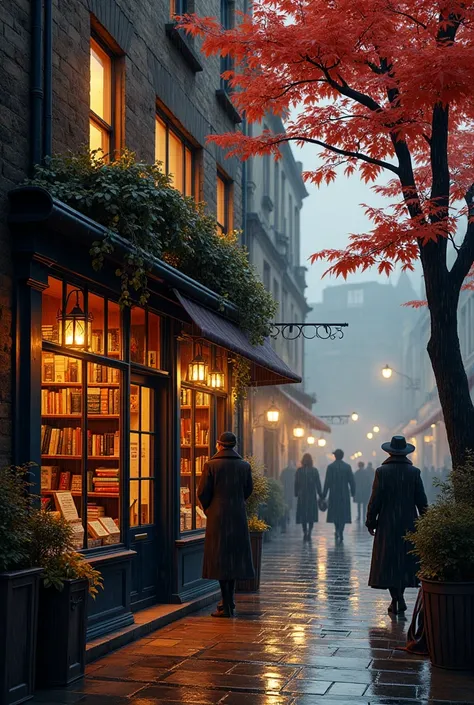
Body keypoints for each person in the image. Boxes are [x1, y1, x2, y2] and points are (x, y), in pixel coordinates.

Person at [366, 435, 428, 615]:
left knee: (389, 561)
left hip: (387, 523)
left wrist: (371, 521)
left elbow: (375, 500)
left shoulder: (382, 472)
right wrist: (427, 521)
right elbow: (421, 500)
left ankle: (396, 598)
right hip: (409, 522)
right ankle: (398, 597)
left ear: (390, 452)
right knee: (404, 561)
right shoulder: (414, 473)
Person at [197, 431, 254, 618]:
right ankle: (229, 602)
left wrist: (209, 509)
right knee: (234, 558)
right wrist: (237, 502)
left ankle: (226, 603)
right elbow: (248, 490)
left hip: (217, 516)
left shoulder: (210, 465)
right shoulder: (244, 466)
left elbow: (202, 492)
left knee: (220, 559)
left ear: (218, 445)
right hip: (237, 515)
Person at [323, 449, 355, 544]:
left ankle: (337, 529)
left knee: (335, 513)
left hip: (334, 493)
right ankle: (340, 530)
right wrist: (353, 492)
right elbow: (352, 481)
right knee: (343, 513)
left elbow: (327, 482)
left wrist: (324, 494)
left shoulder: (330, 467)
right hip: (344, 493)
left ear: (335, 456)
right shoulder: (347, 467)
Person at [294, 453, 323, 541]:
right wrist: (320, 494)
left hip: (302, 495)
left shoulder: (299, 471)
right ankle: (309, 532)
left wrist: (296, 493)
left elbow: (296, 483)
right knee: (311, 514)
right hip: (311, 495)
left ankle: (305, 531)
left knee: (303, 514)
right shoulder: (314, 471)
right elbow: (318, 484)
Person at [279, 461, 297, 531]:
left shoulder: (286, 471)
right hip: (290, 491)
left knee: (288, 506)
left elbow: (281, 480)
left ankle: (287, 518)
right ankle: (287, 518)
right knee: (288, 506)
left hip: (288, 491)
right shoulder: (294, 471)